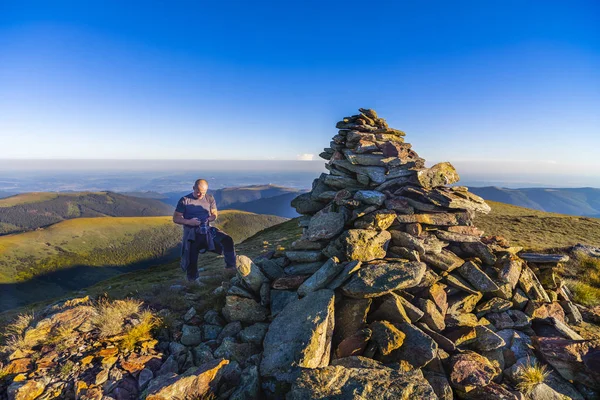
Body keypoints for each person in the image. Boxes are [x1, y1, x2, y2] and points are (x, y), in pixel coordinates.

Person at [173, 179, 236, 281]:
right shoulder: (184, 200)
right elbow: (176, 218)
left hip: (207, 230)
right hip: (191, 234)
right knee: (191, 261)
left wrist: (209, 218)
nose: (200, 194)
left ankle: (231, 268)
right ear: (193, 188)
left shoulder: (209, 198)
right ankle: (193, 283)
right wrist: (190, 222)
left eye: (203, 192)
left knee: (227, 240)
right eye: (198, 191)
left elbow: (214, 214)